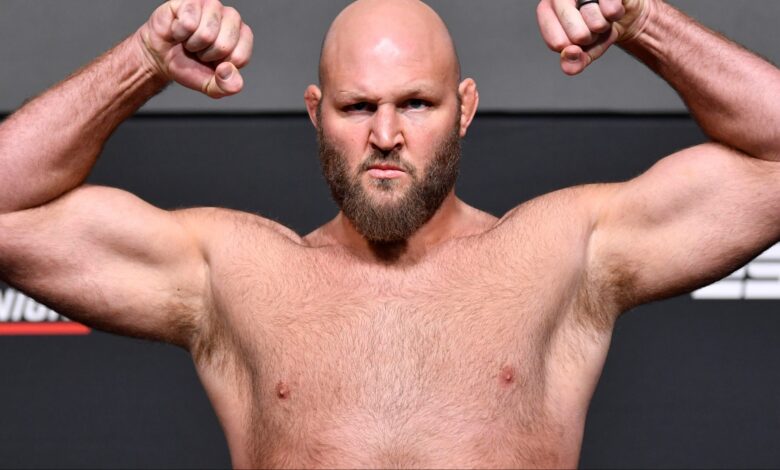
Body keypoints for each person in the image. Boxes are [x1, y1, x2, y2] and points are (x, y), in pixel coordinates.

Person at [0, 0, 778, 467]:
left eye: (415, 103)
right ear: (316, 114)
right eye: (356, 107)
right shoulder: (233, 274)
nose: (384, 135)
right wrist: (142, 61)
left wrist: (644, 21)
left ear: (464, 109)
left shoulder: (561, 255)